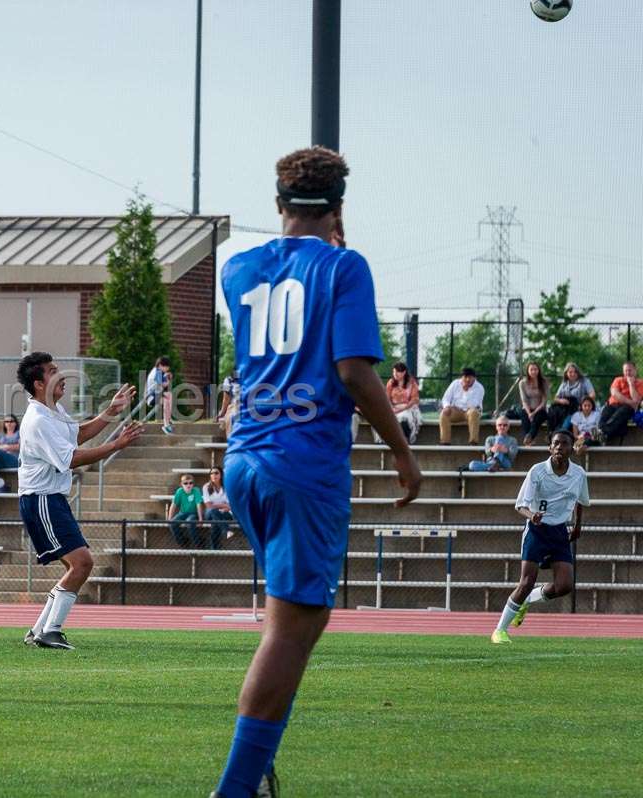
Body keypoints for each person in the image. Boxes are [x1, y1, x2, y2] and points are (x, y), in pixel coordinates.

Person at [211, 146, 420, 798]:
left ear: (278, 204)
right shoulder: (345, 266)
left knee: (299, 625)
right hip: (304, 463)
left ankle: (260, 766)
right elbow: (353, 370)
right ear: (338, 207)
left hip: (245, 459)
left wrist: (321, 240)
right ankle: (235, 789)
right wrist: (402, 452)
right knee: (291, 630)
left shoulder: (238, 267)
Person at [17, 351, 141, 650]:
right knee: (82, 563)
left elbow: (79, 434)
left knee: (75, 565)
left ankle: (39, 630)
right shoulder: (38, 419)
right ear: (38, 383)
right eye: (52, 371)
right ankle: (51, 631)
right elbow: (70, 458)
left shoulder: (53, 412)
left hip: (49, 498)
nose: (60, 375)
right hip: (42, 499)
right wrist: (116, 445)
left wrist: (111, 411)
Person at [491, 429, 590, 644]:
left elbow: (581, 501)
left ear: (571, 448)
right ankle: (499, 631)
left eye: (564, 444)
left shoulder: (579, 474)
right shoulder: (537, 471)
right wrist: (532, 516)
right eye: (555, 443)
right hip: (537, 530)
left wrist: (578, 525)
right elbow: (520, 505)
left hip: (559, 532)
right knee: (526, 581)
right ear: (549, 447)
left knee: (564, 585)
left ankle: (528, 599)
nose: (558, 447)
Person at [373, 362, 421, 445]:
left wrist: (401, 409)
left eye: (397, 372)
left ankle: (405, 440)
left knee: (404, 417)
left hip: (407, 407)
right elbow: (387, 398)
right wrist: (391, 408)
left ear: (404, 372)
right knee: (382, 417)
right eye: (393, 372)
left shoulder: (412, 382)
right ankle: (385, 441)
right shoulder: (391, 382)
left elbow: (414, 399)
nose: (395, 374)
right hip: (393, 407)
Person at [597, 361, 642, 444]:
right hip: (612, 405)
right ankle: (604, 434)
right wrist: (631, 402)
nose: (627, 373)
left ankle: (603, 433)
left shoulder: (640, 383)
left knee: (624, 411)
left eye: (630, 370)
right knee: (604, 416)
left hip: (627, 409)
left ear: (635, 370)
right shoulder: (618, 380)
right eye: (625, 370)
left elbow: (636, 399)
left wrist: (631, 384)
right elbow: (615, 393)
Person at [438, 367, 484, 445]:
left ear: (474, 378)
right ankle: (445, 441)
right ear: (461, 377)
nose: (467, 379)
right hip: (456, 411)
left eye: (470, 377)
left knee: (473, 413)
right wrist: (447, 406)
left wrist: (466, 390)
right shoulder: (455, 383)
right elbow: (445, 398)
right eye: (465, 377)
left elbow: (474, 404)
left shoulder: (479, 387)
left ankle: (473, 442)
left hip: (470, 411)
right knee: (444, 413)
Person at [547, 362, 595, 436]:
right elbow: (556, 398)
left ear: (578, 372)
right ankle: (553, 432)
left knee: (571, 415)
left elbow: (592, 395)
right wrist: (561, 400)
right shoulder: (564, 383)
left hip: (578, 406)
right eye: (570, 372)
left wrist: (583, 403)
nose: (573, 374)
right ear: (566, 373)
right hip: (565, 407)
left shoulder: (584, 381)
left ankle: (560, 432)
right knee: (553, 410)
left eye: (575, 372)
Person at [517, 362, 549, 447]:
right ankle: (528, 439)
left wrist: (533, 413)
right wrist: (529, 413)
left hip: (540, 409)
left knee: (537, 419)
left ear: (539, 370)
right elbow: (524, 400)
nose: (534, 371)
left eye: (535, 369)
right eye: (531, 369)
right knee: (524, 417)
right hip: (527, 408)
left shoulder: (544, 382)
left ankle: (529, 436)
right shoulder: (522, 383)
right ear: (527, 371)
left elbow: (544, 401)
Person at [168, 473, 204, 547]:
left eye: (191, 483)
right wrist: (170, 518)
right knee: (172, 523)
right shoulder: (180, 491)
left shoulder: (196, 490)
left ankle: (198, 543)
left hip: (194, 513)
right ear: (181, 484)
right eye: (186, 483)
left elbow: (198, 505)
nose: (188, 485)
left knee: (189, 521)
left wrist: (200, 518)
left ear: (193, 484)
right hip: (182, 513)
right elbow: (173, 505)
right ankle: (183, 543)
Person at [202, 466, 234, 548]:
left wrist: (223, 507)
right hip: (210, 513)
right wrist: (223, 505)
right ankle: (226, 531)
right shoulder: (206, 487)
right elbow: (208, 505)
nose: (213, 475)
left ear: (221, 475)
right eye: (211, 473)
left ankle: (214, 547)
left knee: (215, 520)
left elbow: (230, 505)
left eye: (216, 473)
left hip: (225, 513)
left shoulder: (227, 487)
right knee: (213, 512)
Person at [146, 356, 174, 434]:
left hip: (155, 394)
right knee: (167, 397)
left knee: (168, 397)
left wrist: (166, 377)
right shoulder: (157, 372)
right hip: (151, 397)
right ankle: (167, 423)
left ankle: (167, 421)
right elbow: (162, 385)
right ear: (161, 365)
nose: (167, 369)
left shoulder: (158, 372)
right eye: (166, 367)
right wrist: (168, 380)